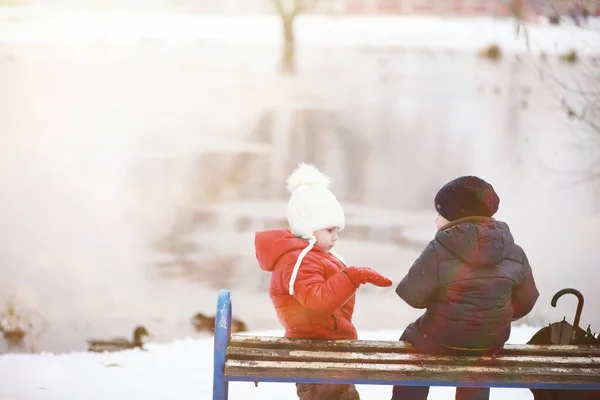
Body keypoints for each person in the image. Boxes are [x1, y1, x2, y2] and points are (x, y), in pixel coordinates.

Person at [392, 176, 539, 400]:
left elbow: (413, 296)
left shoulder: (438, 249)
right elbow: (528, 298)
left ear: (453, 216)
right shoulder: (513, 249)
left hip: (440, 340)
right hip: (489, 342)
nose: (436, 220)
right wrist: (495, 313)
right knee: (479, 355)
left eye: (439, 213)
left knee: (413, 338)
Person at [255, 163, 393, 400]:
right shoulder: (300, 261)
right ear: (309, 228)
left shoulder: (311, 256)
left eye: (336, 229)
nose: (335, 236)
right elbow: (316, 301)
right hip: (315, 353)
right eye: (329, 229)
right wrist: (353, 276)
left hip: (325, 347)